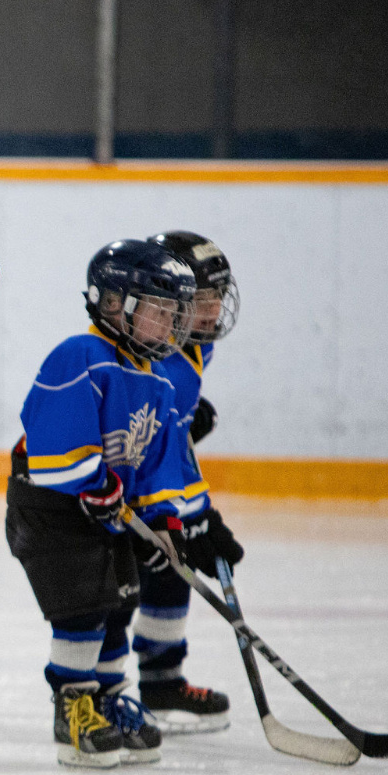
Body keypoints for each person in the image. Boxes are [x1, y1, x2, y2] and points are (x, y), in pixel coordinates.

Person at [5, 239, 205, 768]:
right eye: (158, 310)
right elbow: (54, 432)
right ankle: (73, 705)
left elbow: (156, 464)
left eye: (173, 313)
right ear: (114, 303)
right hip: (50, 506)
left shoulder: (157, 382)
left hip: (105, 509)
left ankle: (110, 698)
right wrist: (90, 480)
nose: (170, 324)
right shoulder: (81, 354)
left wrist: (164, 519)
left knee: (120, 601)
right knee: (83, 607)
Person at [131, 230, 244, 732]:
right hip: (104, 489)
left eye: (218, 295)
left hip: (136, 480)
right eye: (201, 299)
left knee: (168, 572)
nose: (214, 310)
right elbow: (160, 449)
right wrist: (196, 516)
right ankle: (107, 694)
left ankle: (161, 683)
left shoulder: (192, 346)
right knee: (120, 589)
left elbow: (170, 442)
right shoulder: (163, 361)